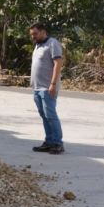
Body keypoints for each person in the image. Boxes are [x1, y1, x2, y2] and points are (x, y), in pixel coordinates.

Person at [29, 22, 65, 154]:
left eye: (35, 34)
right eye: (32, 34)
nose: (33, 37)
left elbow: (58, 64)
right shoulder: (38, 45)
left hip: (47, 88)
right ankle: (49, 141)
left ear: (43, 31)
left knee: (51, 116)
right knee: (44, 116)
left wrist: (53, 84)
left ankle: (57, 143)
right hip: (37, 88)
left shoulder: (52, 43)